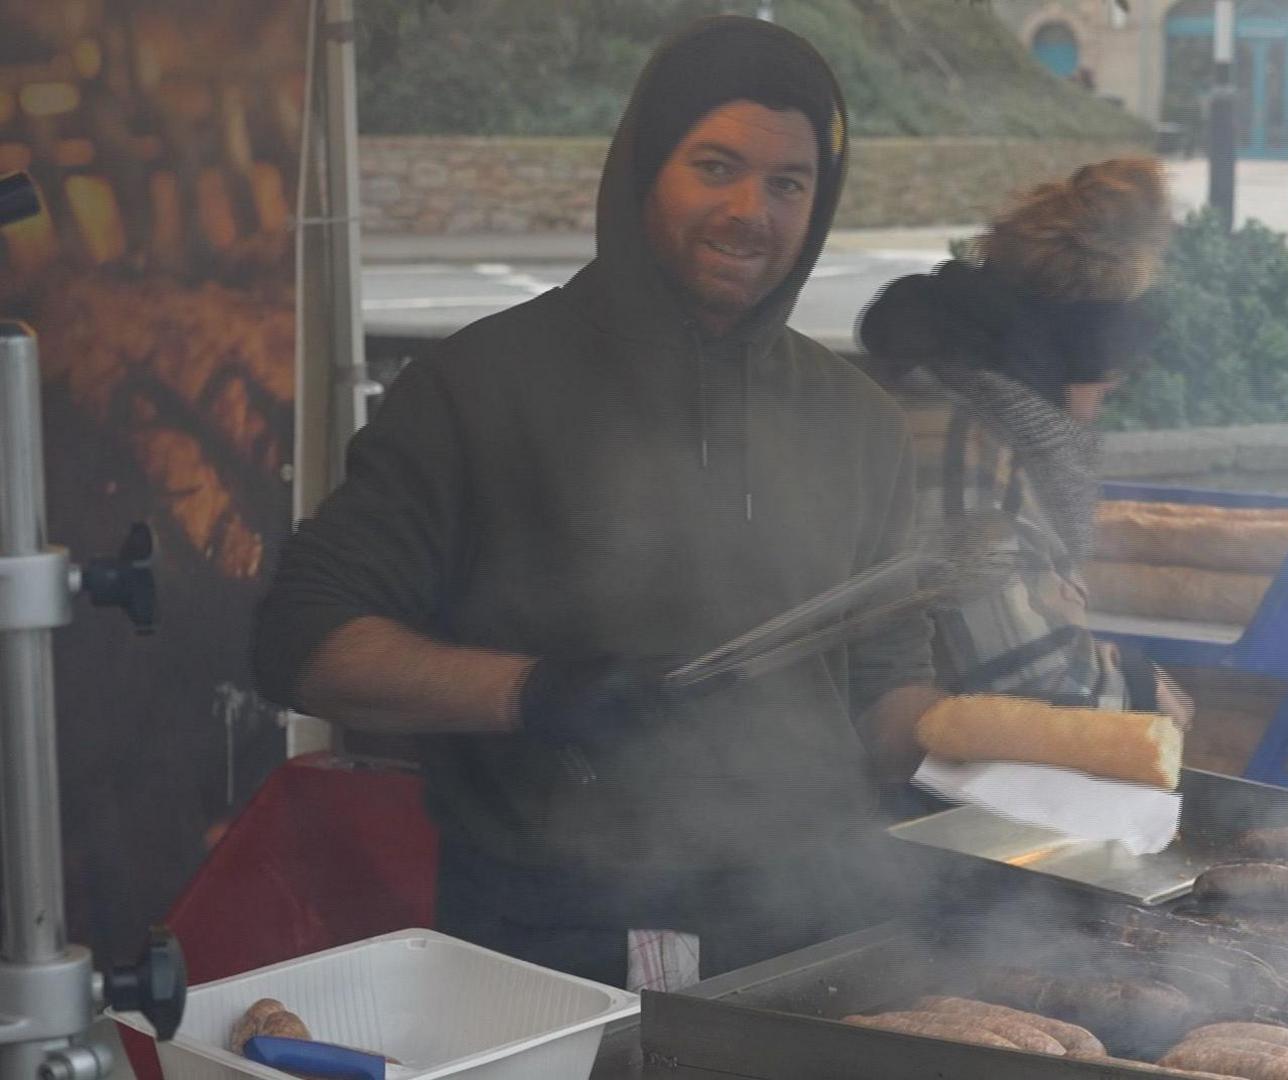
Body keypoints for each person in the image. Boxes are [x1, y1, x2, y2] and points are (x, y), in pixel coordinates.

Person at [252, 16, 946, 991]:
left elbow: (883, 687)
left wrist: (1005, 722)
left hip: (811, 915)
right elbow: (304, 641)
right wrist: (536, 691)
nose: (752, 210)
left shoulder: (859, 420)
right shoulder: (480, 387)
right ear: (641, 170)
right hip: (550, 920)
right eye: (715, 166)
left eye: (789, 183)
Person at [857, 157, 1190, 721]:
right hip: (900, 767)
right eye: (1104, 376)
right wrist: (1142, 693)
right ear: (1070, 355)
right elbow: (1023, 676)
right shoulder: (964, 447)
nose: (1107, 394)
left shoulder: (960, 402)